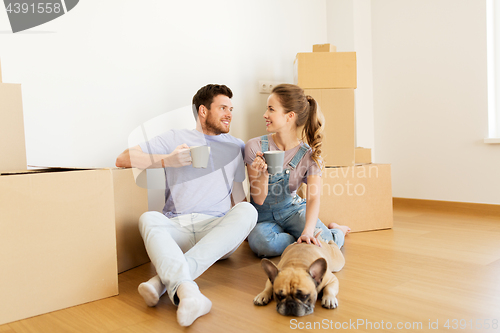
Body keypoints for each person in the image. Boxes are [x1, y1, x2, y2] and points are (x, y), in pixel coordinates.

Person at [116, 84, 257, 327]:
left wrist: (241, 231)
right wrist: (166, 160)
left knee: (248, 211)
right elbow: (122, 158)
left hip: (215, 229)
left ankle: (163, 281)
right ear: (203, 111)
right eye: (223, 108)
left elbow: (237, 196)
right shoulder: (175, 138)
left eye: (231, 109)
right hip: (176, 227)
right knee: (148, 218)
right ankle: (189, 293)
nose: (229, 114)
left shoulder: (237, 146)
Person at [245, 83, 350, 258]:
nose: (265, 115)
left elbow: (313, 196)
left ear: (290, 116)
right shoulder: (254, 147)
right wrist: (263, 173)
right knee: (263, 245)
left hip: (292, 211)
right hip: (263, 216)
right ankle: (298, 239)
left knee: (323, 241)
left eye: (271, 109)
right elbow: (259, 199)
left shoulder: (309, 155)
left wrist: (308, 231)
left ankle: (336, 232)